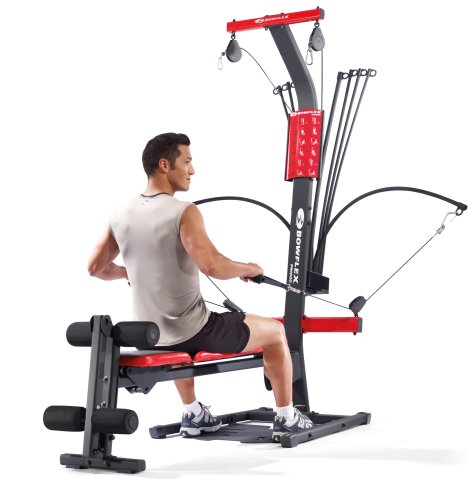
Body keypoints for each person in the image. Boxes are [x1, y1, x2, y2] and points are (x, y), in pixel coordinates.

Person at [87, 132, 313, 441]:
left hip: (149, 335)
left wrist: (133, 272)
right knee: (275, 332)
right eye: (187, 161)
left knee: (181, 328)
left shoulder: (120, 214)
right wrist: (249, 268)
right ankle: (287, 417)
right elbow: (213, 266)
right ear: (164, 165)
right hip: (194, 331)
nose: (192, 170)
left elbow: (96, 268)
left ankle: (193, 413)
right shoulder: (183, 211)